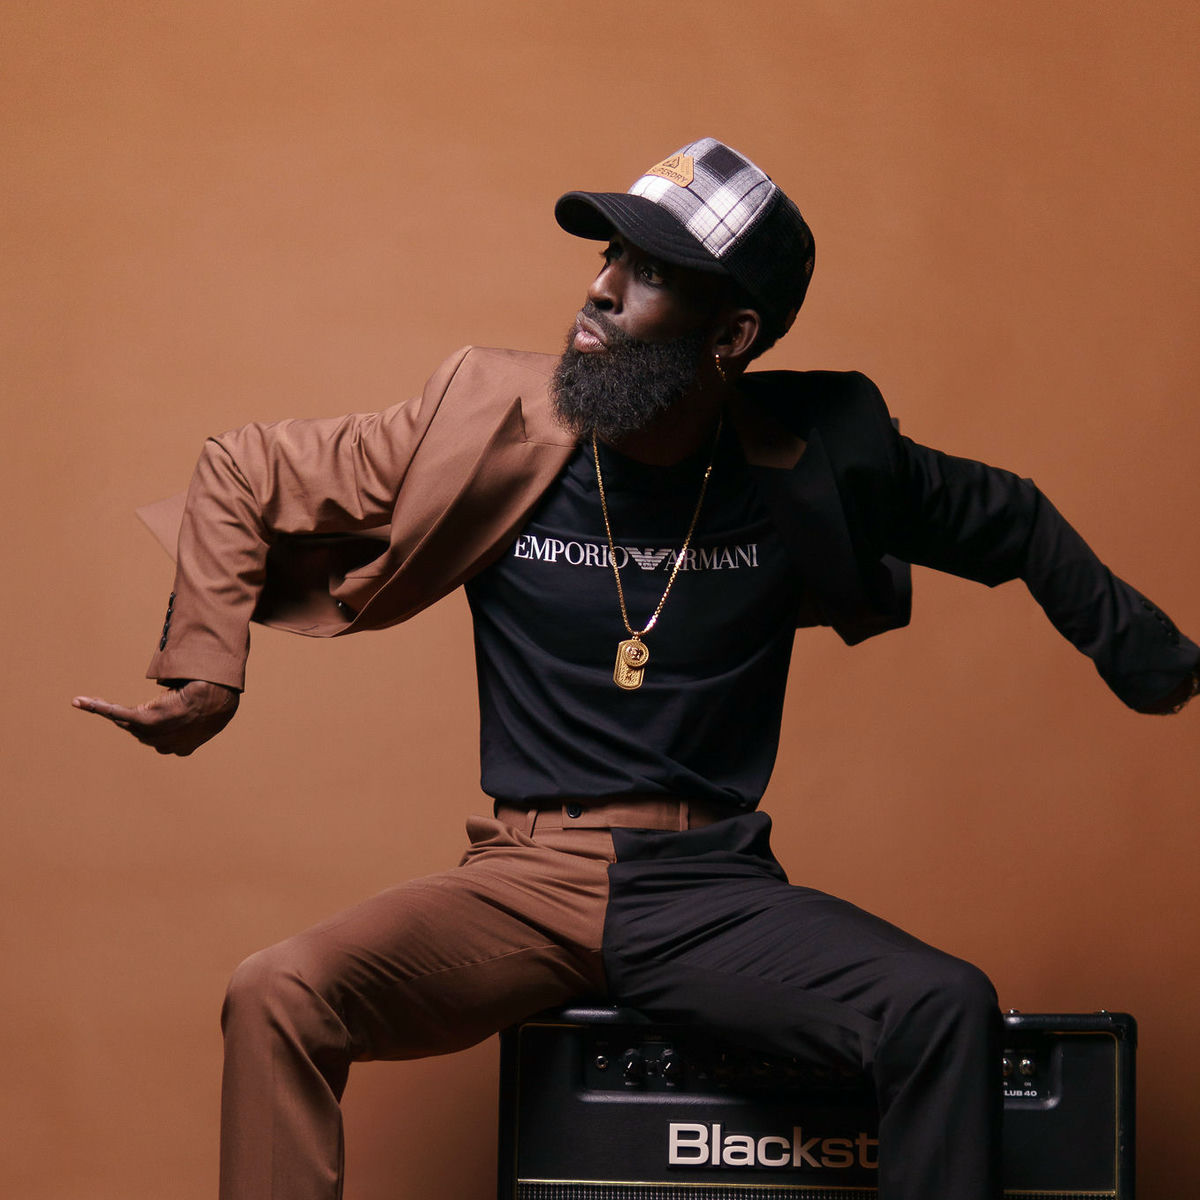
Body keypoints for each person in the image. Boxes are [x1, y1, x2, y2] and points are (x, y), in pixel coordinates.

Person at [73, 137, 1198, 1200]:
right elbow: (242, 470)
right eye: (609, 256)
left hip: (708, 893)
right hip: (520, 883)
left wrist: (1159, 665)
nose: (601, 289)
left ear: (731, 335)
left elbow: (1012, 518)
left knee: (944, 1004)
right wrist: (208, 669)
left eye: (650, 273)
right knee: (278, 990)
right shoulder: (483, 418)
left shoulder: (819, 456)